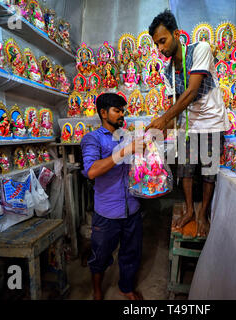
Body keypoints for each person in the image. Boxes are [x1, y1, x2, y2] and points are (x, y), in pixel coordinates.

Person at [147, 10, 229, 237]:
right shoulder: (168, 71)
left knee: (208, 170)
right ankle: (190, 210)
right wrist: (161, 129)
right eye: (156, 44)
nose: (160, 48)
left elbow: (192, 90)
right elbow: (176, 105)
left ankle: (203, 213)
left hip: (211, 120)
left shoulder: (200, 49)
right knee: (185, 168)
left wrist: (163, 119)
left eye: (163, 41)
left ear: (176, 34)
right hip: (189, 124)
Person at [80, 93, 144, 300]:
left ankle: (125, 287)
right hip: (107, 211)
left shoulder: (126, 136)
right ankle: (97, 290)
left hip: (132, 207)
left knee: (130, 253)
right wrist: (126, 151)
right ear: (103, 113)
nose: (121, 115)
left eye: (122, 111)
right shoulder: (92, 139)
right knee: (100, 255)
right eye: (117, 111)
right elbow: (91, 170)